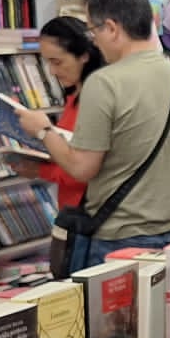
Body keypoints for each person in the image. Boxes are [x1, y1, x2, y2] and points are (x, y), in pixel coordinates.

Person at [11, 0, 170, 272]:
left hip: (120, 241)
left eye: (93, 29)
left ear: (111, 28)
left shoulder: (105, 83)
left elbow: (82, 168)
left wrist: (43, 130)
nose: (93, 39)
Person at [26, 14, 105, 211]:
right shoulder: (73, 95)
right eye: (47, 62)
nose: (51, 72)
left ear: (84, 55)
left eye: (57, 62)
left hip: (88, 213)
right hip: (72, 210)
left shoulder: (96, 100)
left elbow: (85, 172)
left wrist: (39, 168)